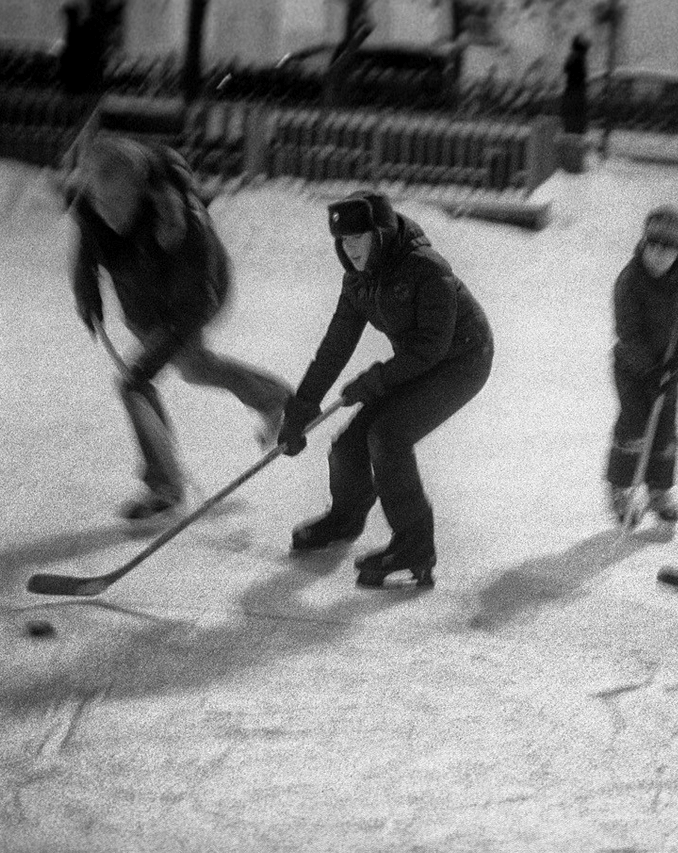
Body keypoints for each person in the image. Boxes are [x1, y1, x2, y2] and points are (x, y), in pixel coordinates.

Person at [69, 136, 292, 524]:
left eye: (117, 203)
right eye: (100, 202)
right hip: (142, 298)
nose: (107, 212)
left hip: (196, 296)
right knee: (192, 369)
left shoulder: (180, 223)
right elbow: (88, 244)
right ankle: (276, 398)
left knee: (139, 382)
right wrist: (86, 288)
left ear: (140, 194)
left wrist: (149, 362)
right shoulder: (95, 205)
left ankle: (164, 487)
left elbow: (196, 305)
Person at [277, 191, 494, 589]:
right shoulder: (359, 279)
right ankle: (346, 518)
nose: (350, 248)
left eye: (359, 237)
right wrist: (303, 404)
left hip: (462, 361)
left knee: (388, 435)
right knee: (349, 444)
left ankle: (415, 546)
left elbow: (431, 347)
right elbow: (337, 343)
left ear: (380, 234)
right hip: (415, 361)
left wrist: (375, 380)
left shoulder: (427, 270)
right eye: (343, 240)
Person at [605, 205, 678, 526]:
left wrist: (676, 361)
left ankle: (659, 490)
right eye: (653, 245)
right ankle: (621, 488)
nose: (659, 254)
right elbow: (627, 332)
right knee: (634, 426)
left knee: (665, 431)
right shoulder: (630, 280)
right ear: (644, 243)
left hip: (668, 368)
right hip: (633, 370)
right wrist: (649, 370)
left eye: (668, 248)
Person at [561, 35, 590, 136]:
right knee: (576, 125)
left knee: (571, 126)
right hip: (577, 93)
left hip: (571, 93)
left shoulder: (572, 58)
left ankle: (572, 137)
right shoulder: (578, 59)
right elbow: (580, 76)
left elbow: (566, 70)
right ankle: (575, 137)